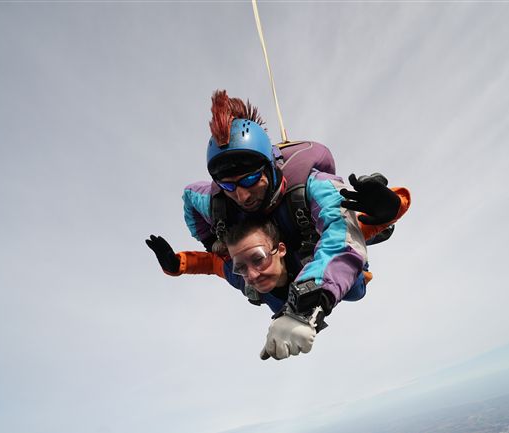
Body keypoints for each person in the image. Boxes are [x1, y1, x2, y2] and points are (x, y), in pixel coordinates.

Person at [147, 90, 410, 353]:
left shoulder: (313, 187)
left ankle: (370, 227)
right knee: (273, 281)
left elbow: (341, 238)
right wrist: (205, 246)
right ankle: (371, 226)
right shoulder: (241, 261)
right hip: (283, 250)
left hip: (311, 237)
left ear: (270, 167)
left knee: (353, 283)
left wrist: (302, 307)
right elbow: (193, 206)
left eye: (251, 179)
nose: (242, 195)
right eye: (228, 185)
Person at [147, 216, 370, 360]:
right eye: (241, 267)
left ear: (280, 249)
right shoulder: (242, 279)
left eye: (259, 259)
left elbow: (347, 236)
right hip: (288, 304)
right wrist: (178, 264)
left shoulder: (309, 255)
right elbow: (212, 264)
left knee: (354, 290)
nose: (252, 275)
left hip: (337, 277)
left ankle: (358, 272)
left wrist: (382, 213)